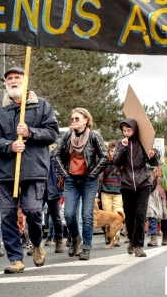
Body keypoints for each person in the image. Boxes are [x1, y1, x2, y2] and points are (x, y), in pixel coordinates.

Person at [0, 66, 59, 274]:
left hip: (34, 170)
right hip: (6, 171)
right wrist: (9, 146)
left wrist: (30, 132)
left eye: (17, 78)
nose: (13, 81)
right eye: (10, 78)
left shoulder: (41, 106)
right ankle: (15, 258)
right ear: (6, 83)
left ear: (25, 81)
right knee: (7, 215)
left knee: (33, 211)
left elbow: (53, 133)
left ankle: (36, 242)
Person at [54, 108, 109, 261]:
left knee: (86, 215)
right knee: (69, 215)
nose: (73, 121)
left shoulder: (94, 136)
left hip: (89, 180)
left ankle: (86, 248)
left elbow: (104, 157)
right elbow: (56, 155)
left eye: (77, 119)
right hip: (71, 179)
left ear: (86, 120)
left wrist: (93, 174)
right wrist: (64, 174)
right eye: (72, 119)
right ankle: (75, 238)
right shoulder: (67, 136)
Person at [113, 119, 155, 258]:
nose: (126, 133)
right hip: (127, 184)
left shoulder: (143, 143)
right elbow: (116, 162)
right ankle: (131, 239)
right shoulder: (120, 143)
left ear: (134, 130)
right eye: (124, 131)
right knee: (130, 216)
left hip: (143, 183)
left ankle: (138, 246)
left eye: (129, 130)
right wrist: (124, 148)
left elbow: (153, 162)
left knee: (140, 215)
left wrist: (153, 155)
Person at [98, 140, 123, 245]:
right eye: (112, 151)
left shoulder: (121, 163)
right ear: (108, 151)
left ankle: (116, 237)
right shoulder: (104, 161)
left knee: (116, 216)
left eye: (115, 151)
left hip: (118, 192)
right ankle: (108, 235)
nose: (113, 153)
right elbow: (99, 177)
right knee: (107, 216)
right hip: (106, 192)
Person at [146, 149, 167, 247]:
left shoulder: (164, 167)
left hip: (163, 193)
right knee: (151, 215)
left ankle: (165, 235)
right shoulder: (146, 167)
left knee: (165, 216)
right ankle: (153, 238)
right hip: (151, 194)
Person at [44, 145, 64, 253]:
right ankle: (35, 243)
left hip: (53, 189)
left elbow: (61, 169)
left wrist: (58, 182)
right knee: (35, 216)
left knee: (56, 217)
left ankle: (59, 240)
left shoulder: (56, 152)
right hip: (40, 188)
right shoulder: (39, 150)